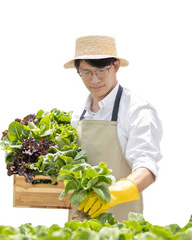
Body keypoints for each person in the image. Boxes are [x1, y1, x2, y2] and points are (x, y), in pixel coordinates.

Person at [64, 35, 163, 222]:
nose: (94, 80)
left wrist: (114, 194)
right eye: (86, 72)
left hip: (121, 224)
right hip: (78, 223)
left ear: (116, 66)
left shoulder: (137, 111)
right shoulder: (78, 115)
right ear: (77, 70)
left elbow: (147, 167)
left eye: (101, 71)